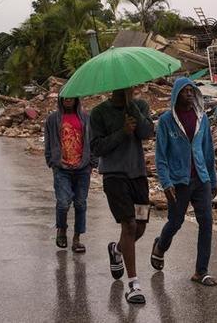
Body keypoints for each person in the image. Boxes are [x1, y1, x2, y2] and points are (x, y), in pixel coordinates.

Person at [151, 78, 217, 286]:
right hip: (178, 181)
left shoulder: (202, 118)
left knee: (206, 222)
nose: (189, 94)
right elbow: (161, 156)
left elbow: (208, 150)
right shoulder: (166, 121)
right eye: (184, 91)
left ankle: (201, 271)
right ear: (176, 95)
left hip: (201, 178)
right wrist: (166, 182)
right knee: (176, 221)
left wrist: (212, 179)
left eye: (192, 90)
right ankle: (160, 246)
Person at [90, 87, 154, 304]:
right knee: (129, 225)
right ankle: (134, 285)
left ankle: (117, 249)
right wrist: (122, 132)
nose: (127, 88)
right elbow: (96, 148)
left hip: (138, 175)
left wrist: (132, 107)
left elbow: (147, 133)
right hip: (114, 176)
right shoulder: (99, 113)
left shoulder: (141, 106)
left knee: (141, 225)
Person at [44, 96, 95, 253]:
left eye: (71, 97)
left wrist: (92, 162)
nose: (68, 99)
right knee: (63, 203)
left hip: (82, 167)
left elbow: (93, 140)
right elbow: (47, 141)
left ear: (76, 98)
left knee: (80, 203)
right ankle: (62, 230)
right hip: (62, 168)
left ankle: (77, 239)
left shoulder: (86, 118)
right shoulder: (53, 119)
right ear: (60, 99)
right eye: (65, 97)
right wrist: (51, 161)